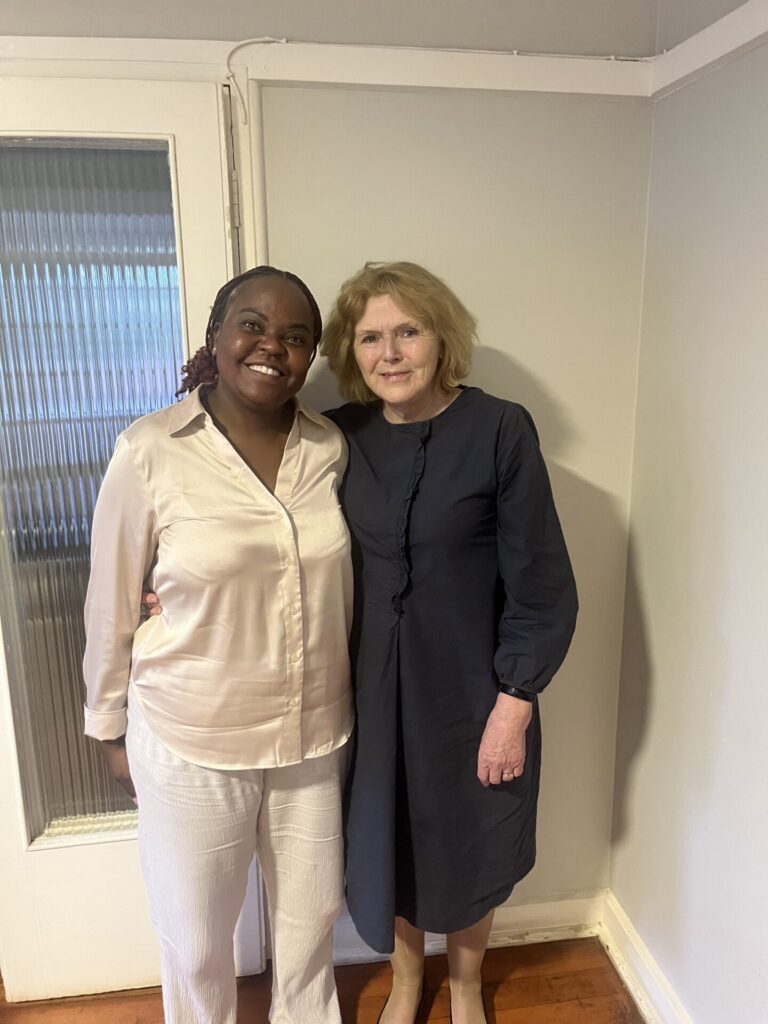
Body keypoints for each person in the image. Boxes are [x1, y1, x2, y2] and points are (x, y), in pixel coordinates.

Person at [83, 266, 354, 1024]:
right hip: (192, 738)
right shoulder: (150, 450)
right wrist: (107, 724)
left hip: (311, 737)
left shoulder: (328, 448)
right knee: (199, 943)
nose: (274, 345)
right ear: (216, 336)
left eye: (297, 336)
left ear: (312, 356)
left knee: (308, 931)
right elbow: (110, 600)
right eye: (254, 325)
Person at [321, 261, 578, 1024]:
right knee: (387, 836)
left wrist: (515, 702)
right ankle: (405, 979)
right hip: (368, 692)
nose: (390, 353)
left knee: (471, 838)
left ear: (442, 339)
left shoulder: (500, 428)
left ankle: (464, 984)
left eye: (408, 331)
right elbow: (272, 540)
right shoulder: (339, 436)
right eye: (371, 337)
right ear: (352, 351)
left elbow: (541, 583)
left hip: (473, 689)